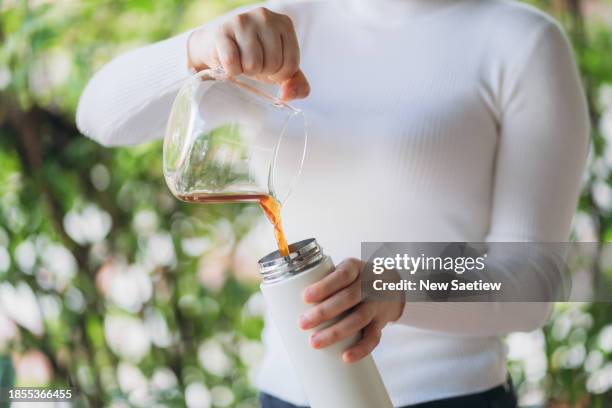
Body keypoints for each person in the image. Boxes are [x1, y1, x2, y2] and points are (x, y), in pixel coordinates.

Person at [76, 0, 590, 407]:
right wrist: (195, 48)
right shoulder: (279, 27)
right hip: (285, 394)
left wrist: (394, 285)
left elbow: (532, 280)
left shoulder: (523, 43)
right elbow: (99, 114)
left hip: (446, 396)